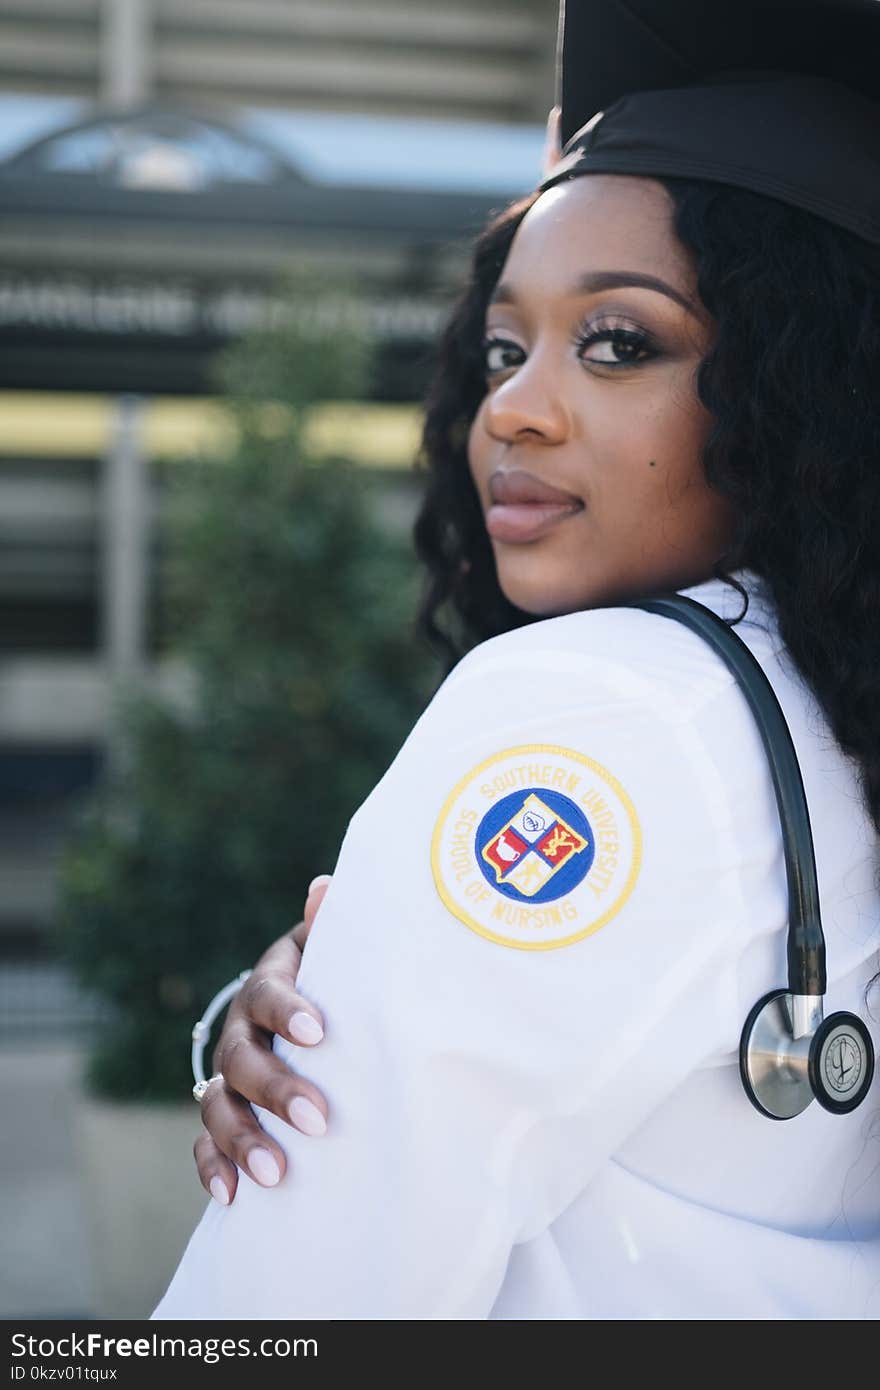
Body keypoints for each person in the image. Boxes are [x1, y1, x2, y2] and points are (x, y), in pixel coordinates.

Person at [154, 0, 880, 1319]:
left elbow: (286, 1308)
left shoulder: (597, 704)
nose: (513, 406)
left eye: (621, 343)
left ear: (802, 384)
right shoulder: (835, 714)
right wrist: (355, 980)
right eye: (506, 344)